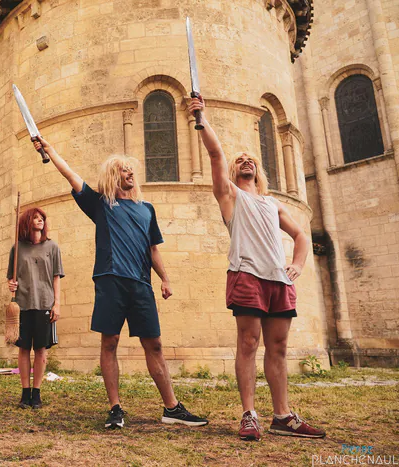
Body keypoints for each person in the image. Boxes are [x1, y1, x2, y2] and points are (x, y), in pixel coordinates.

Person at [32, 137, 208, 429]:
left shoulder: (146, 209)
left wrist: (165, 279)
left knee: (155, 345)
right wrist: (50, 151)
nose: (130, 173)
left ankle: (172, 408)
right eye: (124, 169)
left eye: (131, 169)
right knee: (110, 342)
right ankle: (115, 409)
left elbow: (153, 249)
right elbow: (71, 176)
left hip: (141, 285)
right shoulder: (101, 205)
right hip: (110, 282)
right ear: (114, 175)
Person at [188, 97, 326, 440]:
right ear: (235, 172)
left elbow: (299, 235)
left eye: (250, 158)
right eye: (240, 160)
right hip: (246, 275)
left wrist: (296, 264)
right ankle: (249, 414)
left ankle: (282, 416)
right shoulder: (230, 196)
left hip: (278, 279)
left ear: (258, 170)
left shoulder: (271, 203)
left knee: (278, 349)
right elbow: (216, 154)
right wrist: (201, 117)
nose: (245, 160)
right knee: (248, 343)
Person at [7, 207, 64, 409]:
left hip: (45, 304)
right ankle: (25, 393)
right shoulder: (17, 248)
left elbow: (56, 277)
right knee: (23, 349)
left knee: (40, 349)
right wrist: (11, 285)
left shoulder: (52, 247)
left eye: (42, 218)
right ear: (27, 222)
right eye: (36, 218)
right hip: (22, 305)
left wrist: (57, 304)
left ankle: (37, 393)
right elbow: (12, 279)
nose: (40, 221)